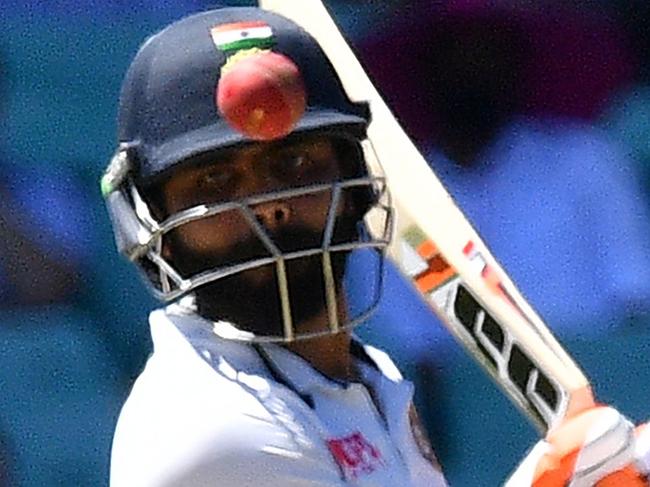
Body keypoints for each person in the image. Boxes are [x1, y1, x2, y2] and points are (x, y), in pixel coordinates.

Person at [104, 7, 650, 486]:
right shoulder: (212, 429)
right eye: (216, 181)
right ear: (154, 223)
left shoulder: (369, 380)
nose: (266, 205)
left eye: (293, 164)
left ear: (358, 187)